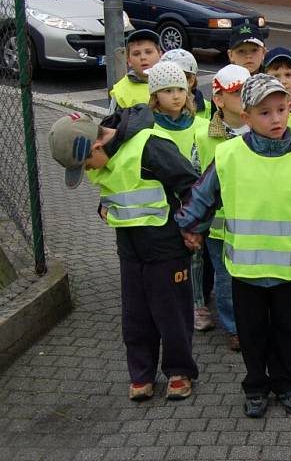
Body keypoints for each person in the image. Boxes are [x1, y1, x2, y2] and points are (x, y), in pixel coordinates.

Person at [176, 74, 291, 420]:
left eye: (280, 109)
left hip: (290, 270)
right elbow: (202, 196)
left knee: (288, 333)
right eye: (264, 113)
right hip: (244, 270)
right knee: (252, 333)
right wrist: (190, 228)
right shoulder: (229, 155)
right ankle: (256, 386)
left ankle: (289, 384)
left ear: (290, 108)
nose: (275, 118)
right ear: (246, 118)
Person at [47, 108, 199, 401]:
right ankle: (141, 374)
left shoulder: (151, 146)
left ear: (96, 145)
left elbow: (191, 186)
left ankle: (179, 371)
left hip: (166, 249)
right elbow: (114, 193)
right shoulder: (105, 157)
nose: (89, 171)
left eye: (87, 164)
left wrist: (192, 227)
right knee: (135, 317)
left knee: (172, 315)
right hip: (130, 251)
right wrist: (103, 208)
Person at [145, 61, 212, 331]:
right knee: (175, 257)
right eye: (167, 90)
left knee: (197, 255)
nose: (175, 96)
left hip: (198, 200)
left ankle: (199, 302)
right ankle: (183, 302)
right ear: (154, 97)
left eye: (180, 89)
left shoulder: (202, 125)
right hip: (164, 202)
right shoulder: (149, 128)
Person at [193, 63, 252, 352]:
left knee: (252, 277)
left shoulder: (263, 131)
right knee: (226, 279)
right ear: (218, 98)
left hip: (256, 222)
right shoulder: (205, 136)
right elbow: (196, 177)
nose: (246, 98)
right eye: (239, 92)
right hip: (219, 227)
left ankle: (255, 321)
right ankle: (235, 327)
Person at [109, 29, 162, 111]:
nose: (143, 57)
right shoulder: (121, 91)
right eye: (136, 54)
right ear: (129, 61)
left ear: (160, 55)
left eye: (148, 52)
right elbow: (110, 122)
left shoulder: (174, 82)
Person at [161, 48, 210, 120]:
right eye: (163, 78)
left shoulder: (209, 109)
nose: (168, 83)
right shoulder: (152, 108)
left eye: (175, 78)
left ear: (190, 81)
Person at [263, 47, 291, 130]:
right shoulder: (258, 109)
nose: (283, 81)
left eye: (288, 75)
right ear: (264, 78)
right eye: (275, 76)